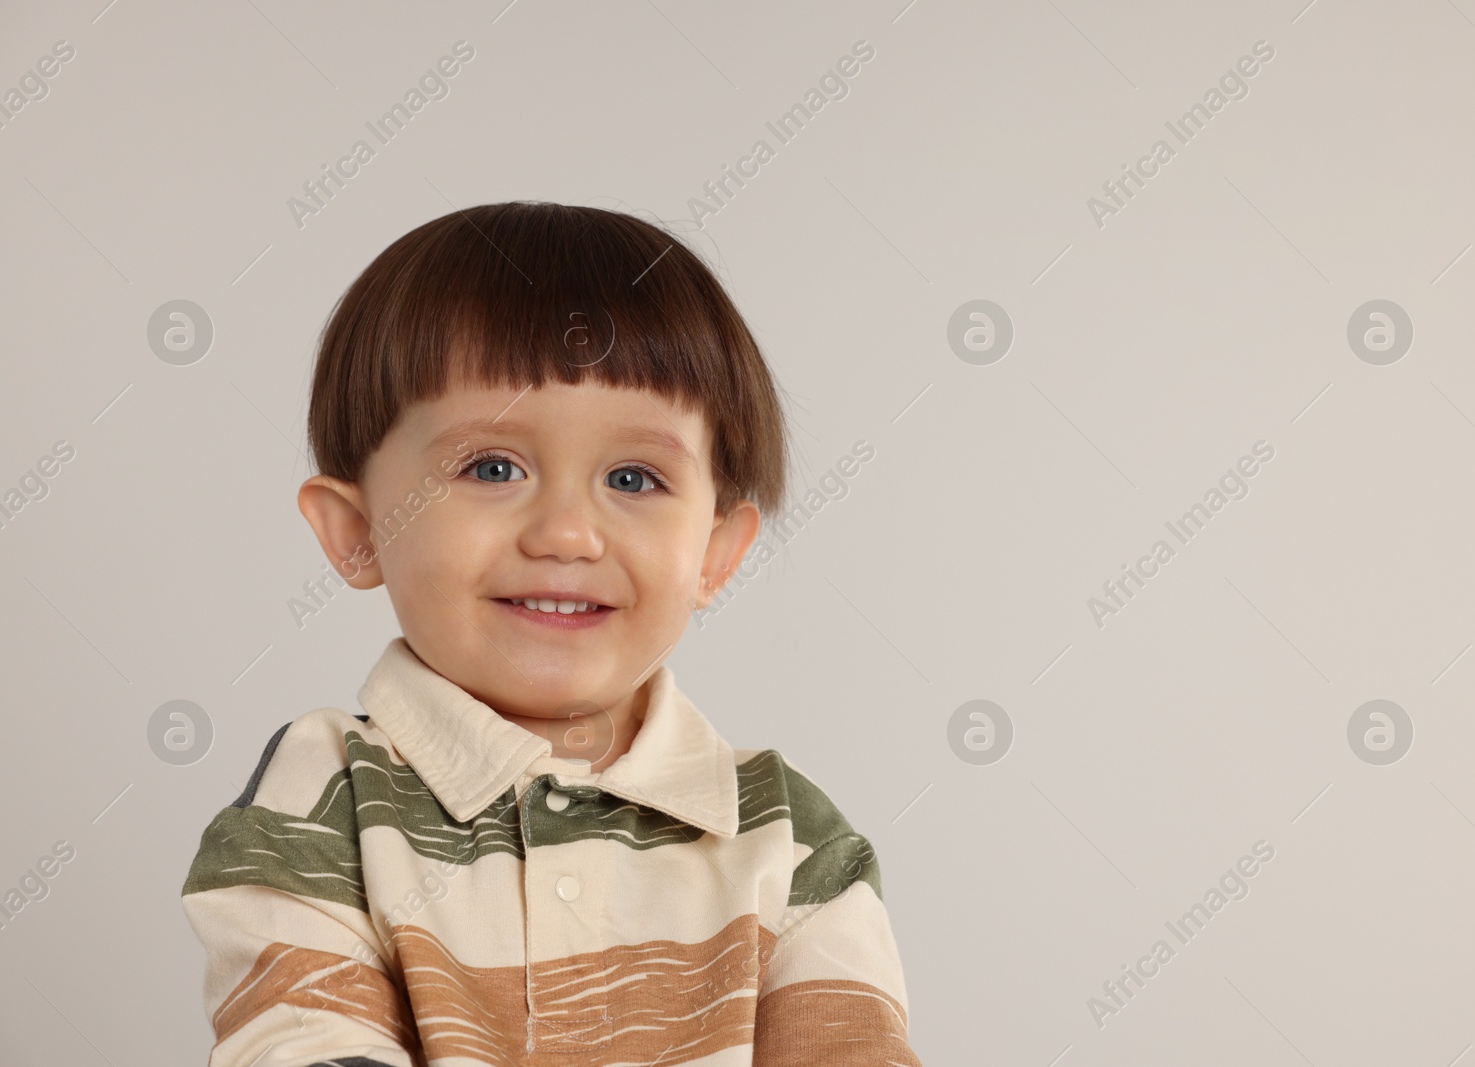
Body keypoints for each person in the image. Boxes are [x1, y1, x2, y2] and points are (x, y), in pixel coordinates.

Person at [179, 201, 922, 1066]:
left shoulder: (790, 840)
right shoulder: (326, 797)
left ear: (716, 554)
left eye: (634, 477)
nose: (568, 532)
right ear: (358, 530)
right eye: (492, 467)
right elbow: (302, 1040)